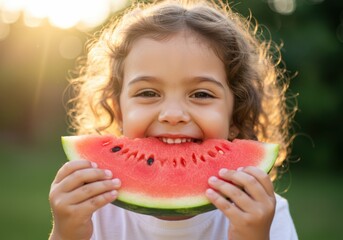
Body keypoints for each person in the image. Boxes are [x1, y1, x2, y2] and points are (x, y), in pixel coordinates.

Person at [49, 0, 298, 239]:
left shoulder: (267, 214)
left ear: (235, 114)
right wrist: (65, 234)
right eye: (148, 93)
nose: (173, 115)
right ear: (119, 109)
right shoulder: (92, 211)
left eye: (201, 94)